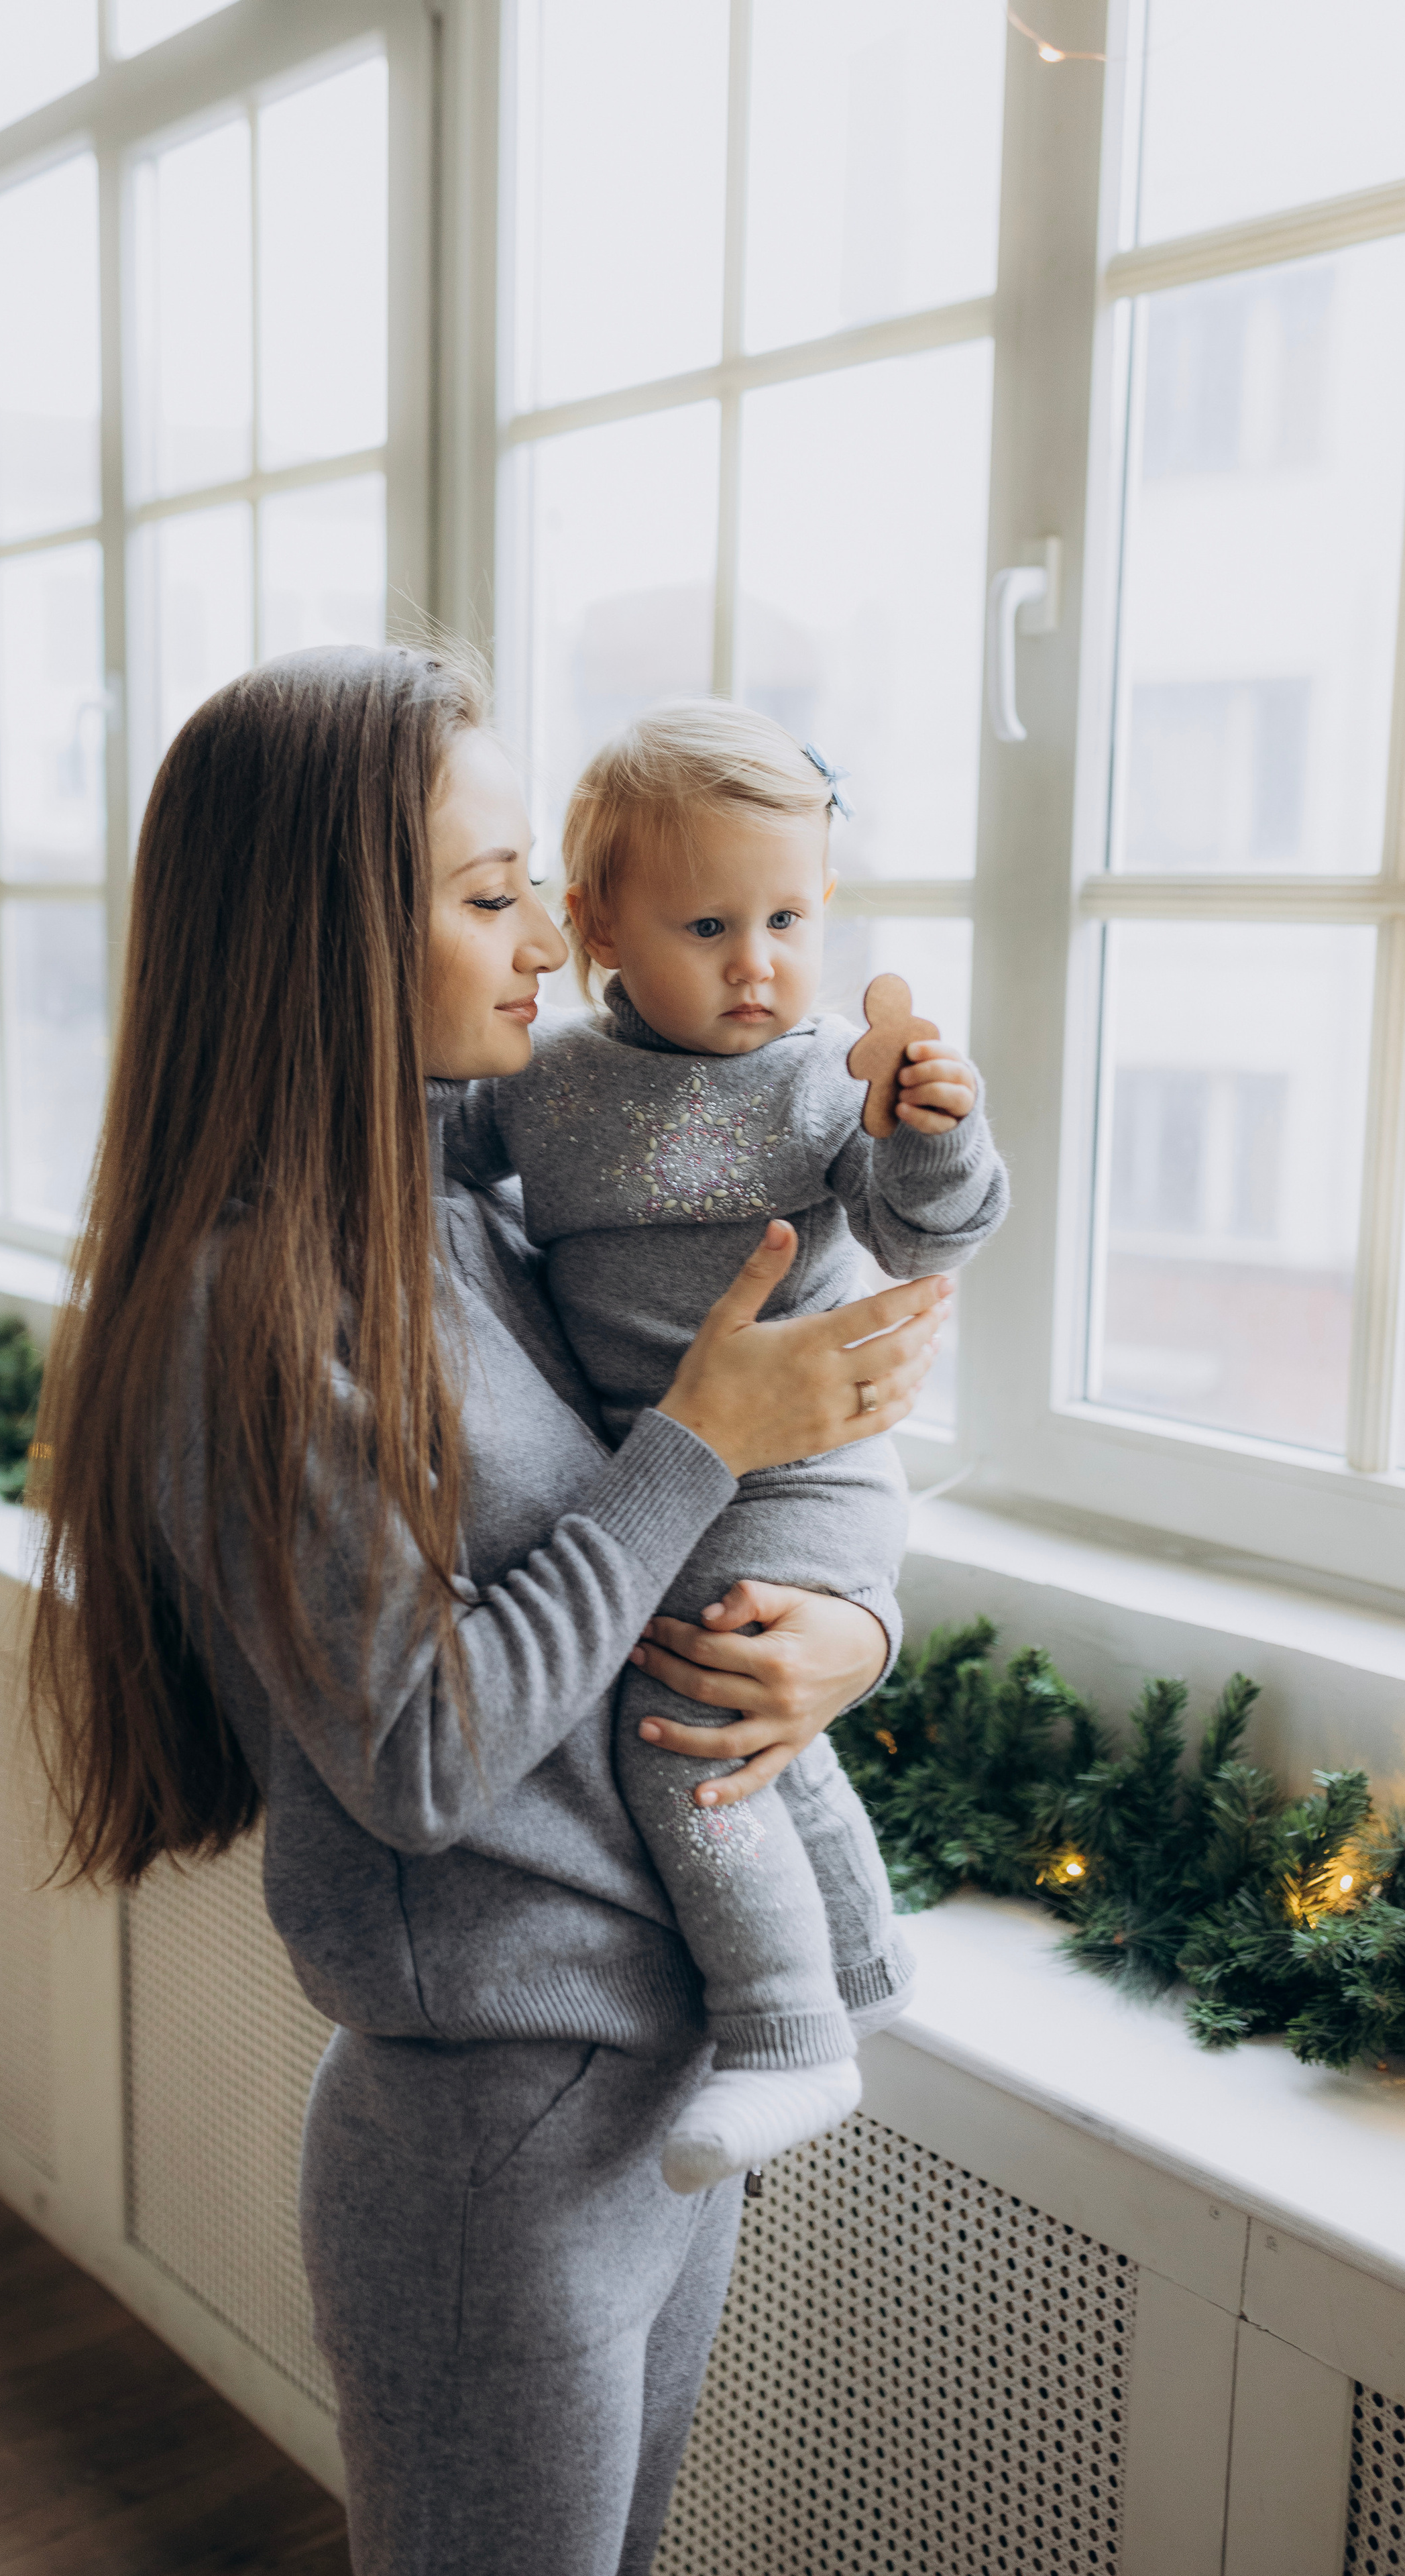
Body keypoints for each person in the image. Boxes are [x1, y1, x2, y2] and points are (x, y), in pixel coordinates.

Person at [27, 643, 950, 2576]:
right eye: (485, 891)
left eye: (536, 875)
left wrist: (843, 1642)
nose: (556, 930)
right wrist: (706, 1433)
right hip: (497, 2143)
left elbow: (671, 1534)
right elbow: (427, 1756)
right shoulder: (247, 1301)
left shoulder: (477, 1205)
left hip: (657, 2079)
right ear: (328, 940)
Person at [436, 701, 1009, 2195]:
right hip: (662, 1470)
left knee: (681, 1729)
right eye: (706, 923)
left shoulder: (824, 1079)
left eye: (788, 918)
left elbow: (918, 1232)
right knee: (730, 1705)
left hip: (806, 1471)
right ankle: (853, 1978)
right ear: (597, 927)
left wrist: (935, 1136)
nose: (757, 963)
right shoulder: (538, 1083)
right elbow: (409, 1161)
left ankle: (783, 2036)